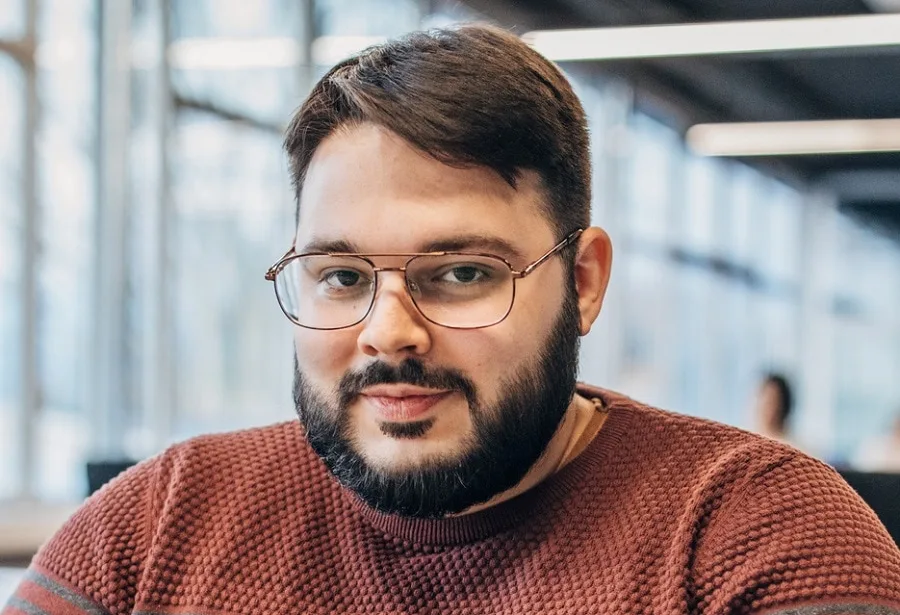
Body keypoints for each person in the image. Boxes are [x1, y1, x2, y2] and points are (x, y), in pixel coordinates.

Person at [4, 24, 900, 615]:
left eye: (462, 272)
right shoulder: (152, 534)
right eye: (341, 275)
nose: (388, 331)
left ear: (583, 281)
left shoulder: (760, 536)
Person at [753, 371, 794, 443]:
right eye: (763, 401)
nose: (765, 408)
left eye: (771, 402)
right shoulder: (746, 440)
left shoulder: (795, 447)